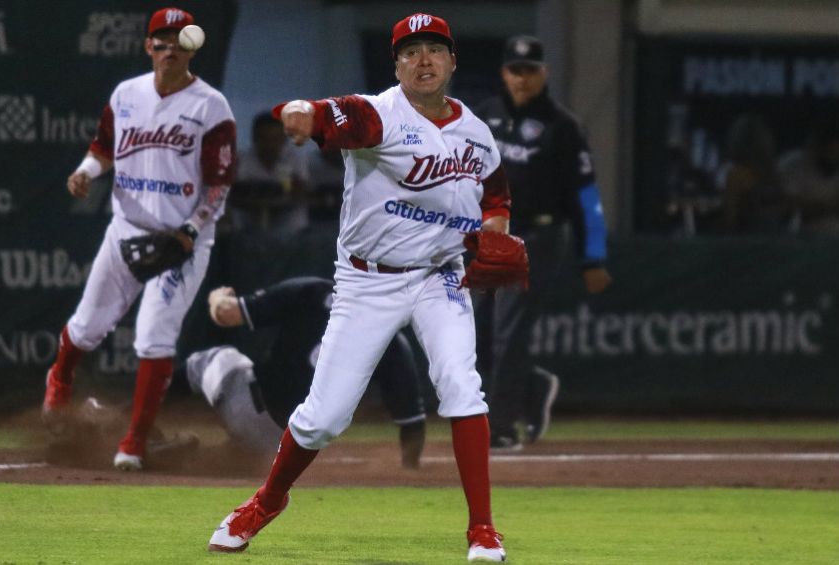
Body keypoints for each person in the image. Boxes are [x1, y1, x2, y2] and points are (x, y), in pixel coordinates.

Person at [207, 13, 514, 562]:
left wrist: (495, 231)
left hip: (440, 275)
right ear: (395, 64)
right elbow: (319, 115)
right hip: (368, 280)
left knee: (460, 385)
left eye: (434, 50)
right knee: (324, 416)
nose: (424, 60)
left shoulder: (477, 133)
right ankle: (266, 501)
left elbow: (496, 198)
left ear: (453, 61)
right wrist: (298, 113)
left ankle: (483, 530)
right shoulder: (377, 114)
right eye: (411, 51)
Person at [40, 7, 237, 472]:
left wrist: (193, 228)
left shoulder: (211, 106)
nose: (169, 49)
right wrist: (86, 172)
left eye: (177, 41)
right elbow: (104, 147)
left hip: (182, 239)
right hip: (126, 229)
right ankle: (60, 384)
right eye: (160, 41)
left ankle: (134, 442)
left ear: (191, 46)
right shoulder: (127, 94)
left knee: (153, 338)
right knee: (86, 326)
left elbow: (220, 181)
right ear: (148, 46)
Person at [473, 36, 613, 451]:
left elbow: (585, 197)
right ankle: (532, 389)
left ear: (544, 73)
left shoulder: (562, 127)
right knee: (471, 334)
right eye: (516, 70)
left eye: (530, 70)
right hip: (485, 235)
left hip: (536, 235)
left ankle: (499, 426)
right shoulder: (482, 119)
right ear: (504, 72)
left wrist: (594, 257)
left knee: (508, 332)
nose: (522, 78)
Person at [185, 277, 427, 469]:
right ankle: (208, 454)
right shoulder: (391, 343)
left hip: (245, 402)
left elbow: (226, 315)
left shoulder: (309, 291)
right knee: (241, 457)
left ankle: (151, 429)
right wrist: (410, 468)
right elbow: (412, 423)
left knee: (206, 360)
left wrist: (216, 297)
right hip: (281, 447)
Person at [229, 111, 311, 233]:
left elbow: (301, 194)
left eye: (275, 139)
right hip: (247, 229)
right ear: (254, 138)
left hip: (290, 230)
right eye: (264, 139)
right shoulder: (241, 160)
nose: (270, 145)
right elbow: (230, 194)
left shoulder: (295, 161)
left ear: (284, 139)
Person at [718, 114, 784, 233]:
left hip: (748, 240)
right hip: (774, 237)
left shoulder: (736, 175)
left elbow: (730, 218)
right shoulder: (774, 173)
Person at [778, 119, 839, 236]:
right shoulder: (793, 164)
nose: (833, 158)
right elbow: (787, 207)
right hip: (799, 238)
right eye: (830, 152)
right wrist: (830, 207)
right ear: (817, 147)